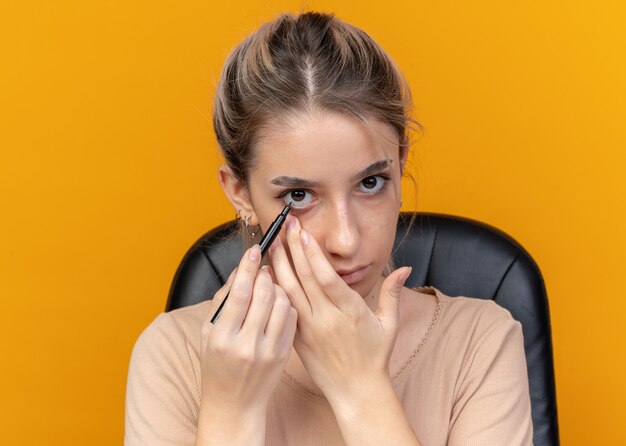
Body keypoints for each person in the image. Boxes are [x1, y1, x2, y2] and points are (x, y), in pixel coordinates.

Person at [124, 11, 533, 446]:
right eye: (299, 195)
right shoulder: (172, 355)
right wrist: (231, 411)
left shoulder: (480, 342)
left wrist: (359, 387)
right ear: (240, 193)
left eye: (371, 183)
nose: (346, 240)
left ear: (401, 161)